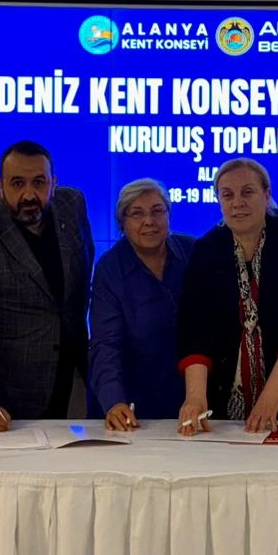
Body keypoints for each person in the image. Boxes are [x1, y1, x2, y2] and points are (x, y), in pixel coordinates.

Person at [176, 158, 278, 435]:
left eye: (247, 192)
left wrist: (270, 398)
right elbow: (195, 329)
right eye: (227, 195)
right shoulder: (206, 249)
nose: (237, 203)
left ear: (266, 194)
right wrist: (195, 397)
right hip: (225, 395)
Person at [0, 141, 94, 429]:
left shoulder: (72, 205)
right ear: (0, 186)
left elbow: (83, 275)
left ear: (54, 183)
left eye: (39, 182)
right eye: (17, 183)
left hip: (72, 369)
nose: (29, 194)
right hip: (10, 383)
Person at [89, 179, 195, 432]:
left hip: (191, 399)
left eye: (158, 211)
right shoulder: (110, 269)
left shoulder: (192, 252)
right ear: (122, 223)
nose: (149, 221)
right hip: (131, 403)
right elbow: (106, 344)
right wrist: (114, 402)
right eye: (137, 213)